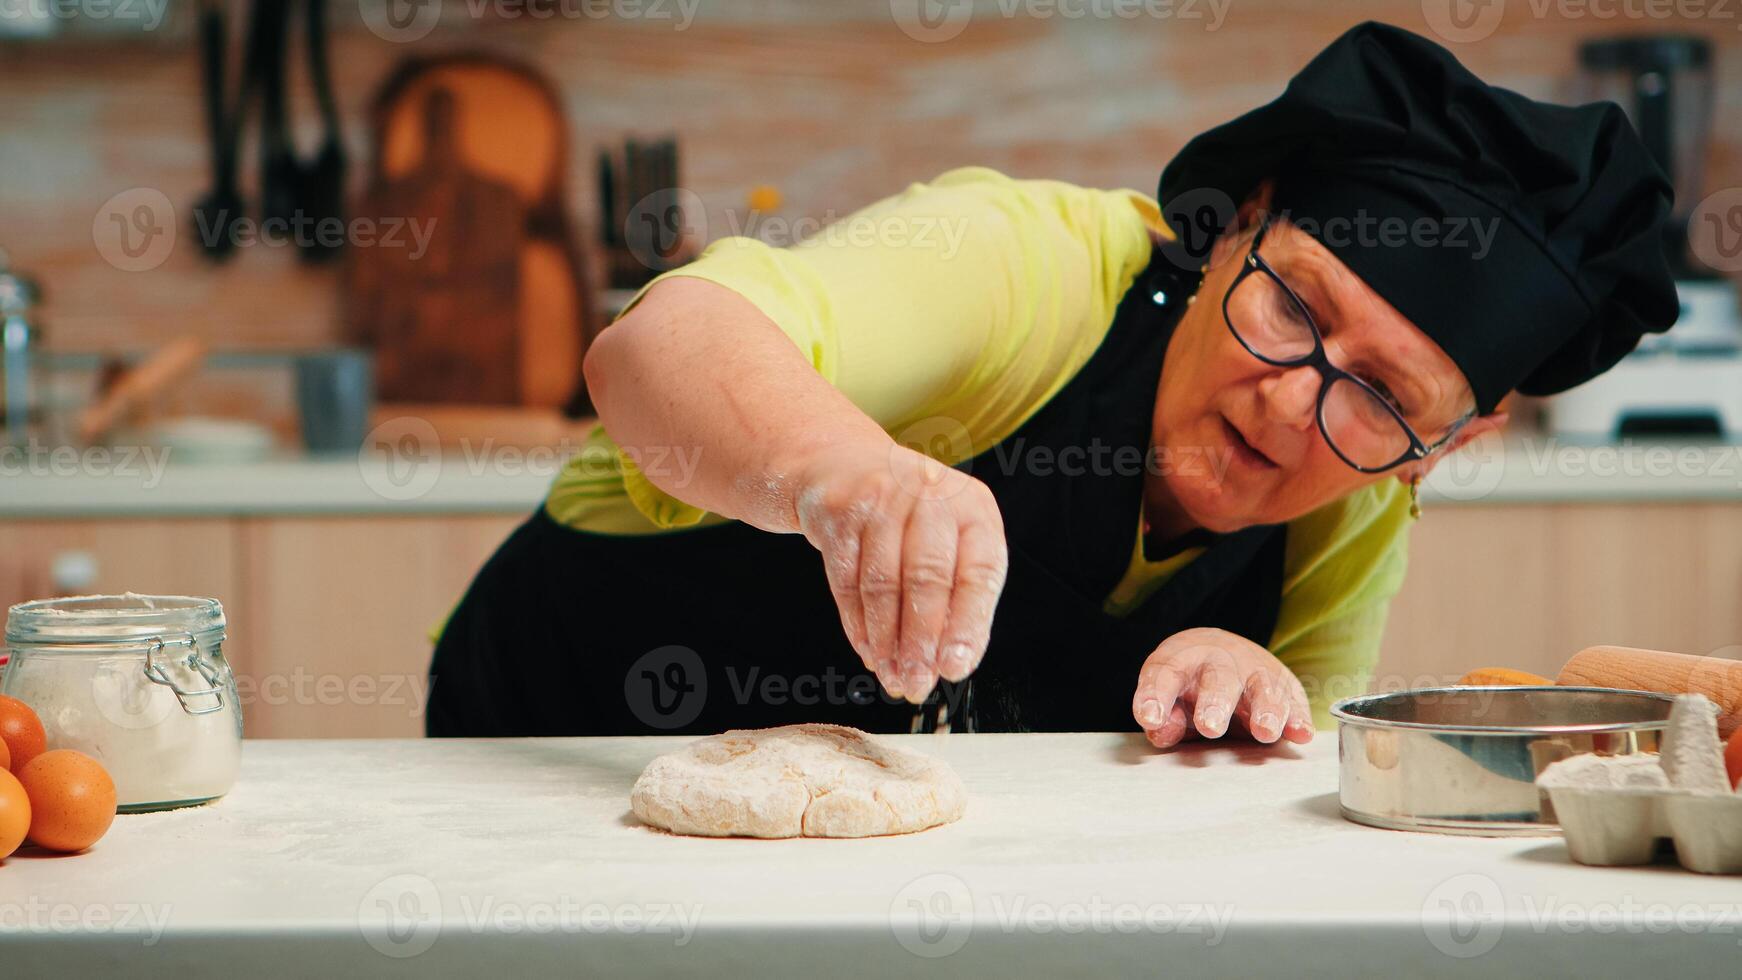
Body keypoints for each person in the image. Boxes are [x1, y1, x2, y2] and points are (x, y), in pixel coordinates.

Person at [426, 23, 1677, 747]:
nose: (1292, 402)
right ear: (1234, 224)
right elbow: (652, 347)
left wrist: (1231, 689)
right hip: (556, 744)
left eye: (1382, 398)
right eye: (1291, 303)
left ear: (1442, 447)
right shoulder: (1031, 267)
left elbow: (1281, 801)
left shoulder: (1353, 501)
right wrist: (837, 470)